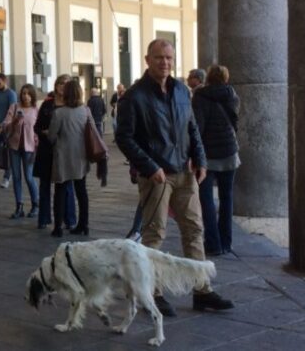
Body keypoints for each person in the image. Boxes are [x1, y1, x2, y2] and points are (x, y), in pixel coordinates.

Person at [116, 39, 234, 316]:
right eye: (159, 58)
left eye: (169, 58)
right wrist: (148, 166)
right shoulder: (134, 96)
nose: (165, 63)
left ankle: (202, 290)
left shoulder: (182, 90)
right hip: (156, 175)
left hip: (184, 172)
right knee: (154, 234)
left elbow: (192, 128)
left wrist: (201, 159)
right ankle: (152, 293)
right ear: (147, 60)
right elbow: (124, 137)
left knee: (195, 230)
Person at [192, 65, 240, 256]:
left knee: (206, 200)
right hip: (229, 151)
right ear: (226, 78)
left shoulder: (200, 97)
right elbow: (235, 121)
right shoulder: (232, 95)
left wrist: (195, 154)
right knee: (227, 198)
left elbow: (198, 127)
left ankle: (213, 243)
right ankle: (227, 242)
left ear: (208, 78)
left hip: (208, 155)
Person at [48, 79, 94, 238]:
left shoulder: (59, 113)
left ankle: (58, 227)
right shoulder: (86, 111)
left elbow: (52, 136)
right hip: (81, 156)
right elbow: (93, 131)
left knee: (60, 192)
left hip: (63, 156)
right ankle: (83, 224)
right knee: (81, 191)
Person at [34, 74, 78, 230]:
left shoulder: (73, 106)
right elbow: (37, 127)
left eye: (66, 84)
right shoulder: (47, 105)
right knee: (44, 185)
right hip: (47, 149)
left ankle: (69, 219)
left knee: (67, 186)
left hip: (65, 152)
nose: (62, 86)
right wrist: (45, 132)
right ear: (56, 85)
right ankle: (44, 218)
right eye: (60, 83)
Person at [0, 84, 40, 220]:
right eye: (23, 93)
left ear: (32, 95)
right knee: (16, 177)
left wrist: (38, 140)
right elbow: (6, 123)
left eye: (28, 93)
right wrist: (13, 122)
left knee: (29, 176)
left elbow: (39, 128)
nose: (25, 96)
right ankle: (19, 206)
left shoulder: (36, 110)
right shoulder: (14, 107)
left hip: (30, 148)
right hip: (14, 147)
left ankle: (35, 205)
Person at [0, 73, 18, 188]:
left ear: (5, 82)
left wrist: (2, 125)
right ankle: (4, 163)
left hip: (7, 126)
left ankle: (7, 176)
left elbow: (12, 112)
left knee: (7, 152)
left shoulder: (11, 94)